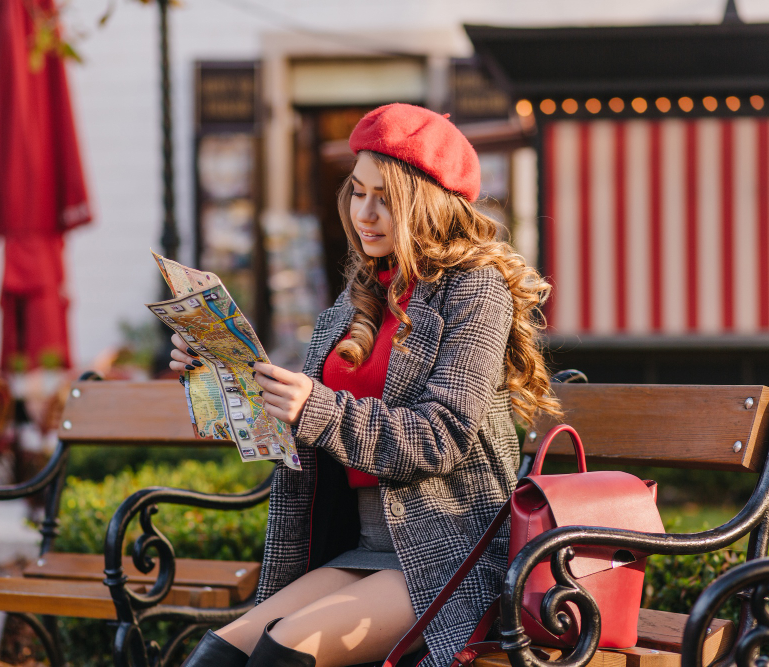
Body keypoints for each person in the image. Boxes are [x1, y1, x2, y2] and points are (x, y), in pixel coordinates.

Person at [171, 103, 560, 667]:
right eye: (356, 192)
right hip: (362, 547)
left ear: (426, 201)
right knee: (217, 657)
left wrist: (317, 408)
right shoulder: (357, 299)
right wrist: (219, 375)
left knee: (283, 655)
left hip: (449, 547)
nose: (365, 214)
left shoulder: (475, 291)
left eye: (386, 198)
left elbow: (441, 435)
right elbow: (298, 426)